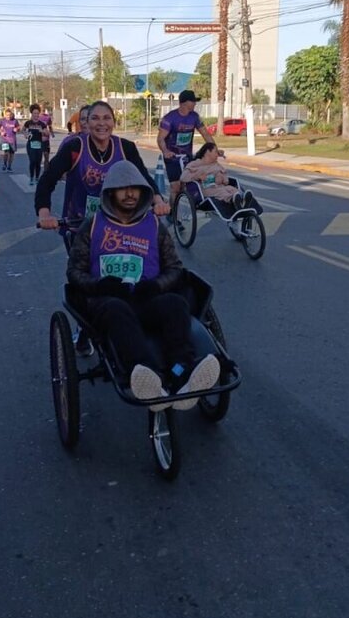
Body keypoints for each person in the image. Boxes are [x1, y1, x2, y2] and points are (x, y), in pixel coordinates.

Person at [64, 160, 220, 409]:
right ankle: (150, 378)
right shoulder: (92, 226)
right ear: (111, 192)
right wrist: (100, 285)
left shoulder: (155, 225)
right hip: (109, 301)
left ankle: (181, 372)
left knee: (175, 303)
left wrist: (157, 286)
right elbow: (74, 272)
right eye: (122, 189)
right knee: (115, 309)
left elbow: (174, 268)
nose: (130, 194)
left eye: (135, 188)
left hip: (147, 298)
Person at [36, 100, 169, 358]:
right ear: (85, 123)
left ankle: (134, 318)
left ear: (114, 122)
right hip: (81, 226)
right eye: (95, 118)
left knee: (135, 269)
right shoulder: (75, 148)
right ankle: (88, 328)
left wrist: (158, 200)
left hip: (122, 222)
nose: (101, 124)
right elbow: (48, 179)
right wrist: (44, 213)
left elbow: (143, 177)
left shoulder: (125, 148)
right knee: (90, 275)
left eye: (106, 118)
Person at [157, 89, 215, 202]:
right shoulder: (170, 118)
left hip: (187, 156)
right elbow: (160, 139)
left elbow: (205, 134)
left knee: (186, 184)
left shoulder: (194, 117)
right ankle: (172, 210)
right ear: (184, 103)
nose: (195, 103)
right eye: (193, 101)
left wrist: (214, 149)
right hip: (172, 157)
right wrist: (165, 151)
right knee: (175, 187)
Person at [180, 143, 262, 217]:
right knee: (221, 192)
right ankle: (234, 200)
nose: (218, 154)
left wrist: (223, 179)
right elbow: (183, 177)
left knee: (231, 189)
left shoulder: (216, 165)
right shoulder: (195, 164)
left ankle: (243, 199)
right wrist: (198, 176)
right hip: (205, 189)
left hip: (219, 186)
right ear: (208, 152)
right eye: (215, 152)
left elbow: (225, 178)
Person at [23, 103, 50, 186]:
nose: (36, 115)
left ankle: (37, 178)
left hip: (39, 145)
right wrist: (25, 134)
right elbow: (23, 130)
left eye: (37, 113)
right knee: (32, 161)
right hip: (30, 145)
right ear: (32, 113)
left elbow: (47, 133)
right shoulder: (28, 123)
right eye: (34, 113)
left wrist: (43, 131)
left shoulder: (42, 124)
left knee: (38, 162)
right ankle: (31, 178)